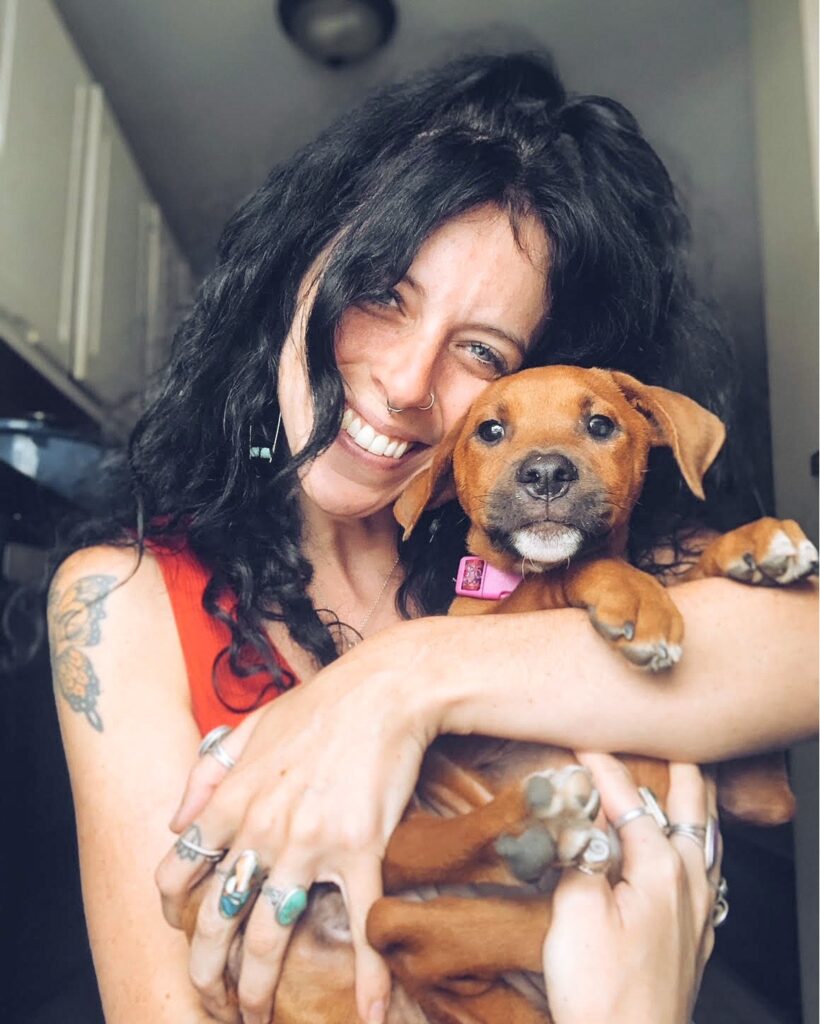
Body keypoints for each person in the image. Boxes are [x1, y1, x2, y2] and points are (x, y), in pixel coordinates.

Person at [48, 52, 817, 1024]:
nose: (408, 382)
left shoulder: (558, 541)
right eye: (383, 292)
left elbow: (802, 647)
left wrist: (403, 677)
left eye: (482, 352)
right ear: (296, 267)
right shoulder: (118, 597)